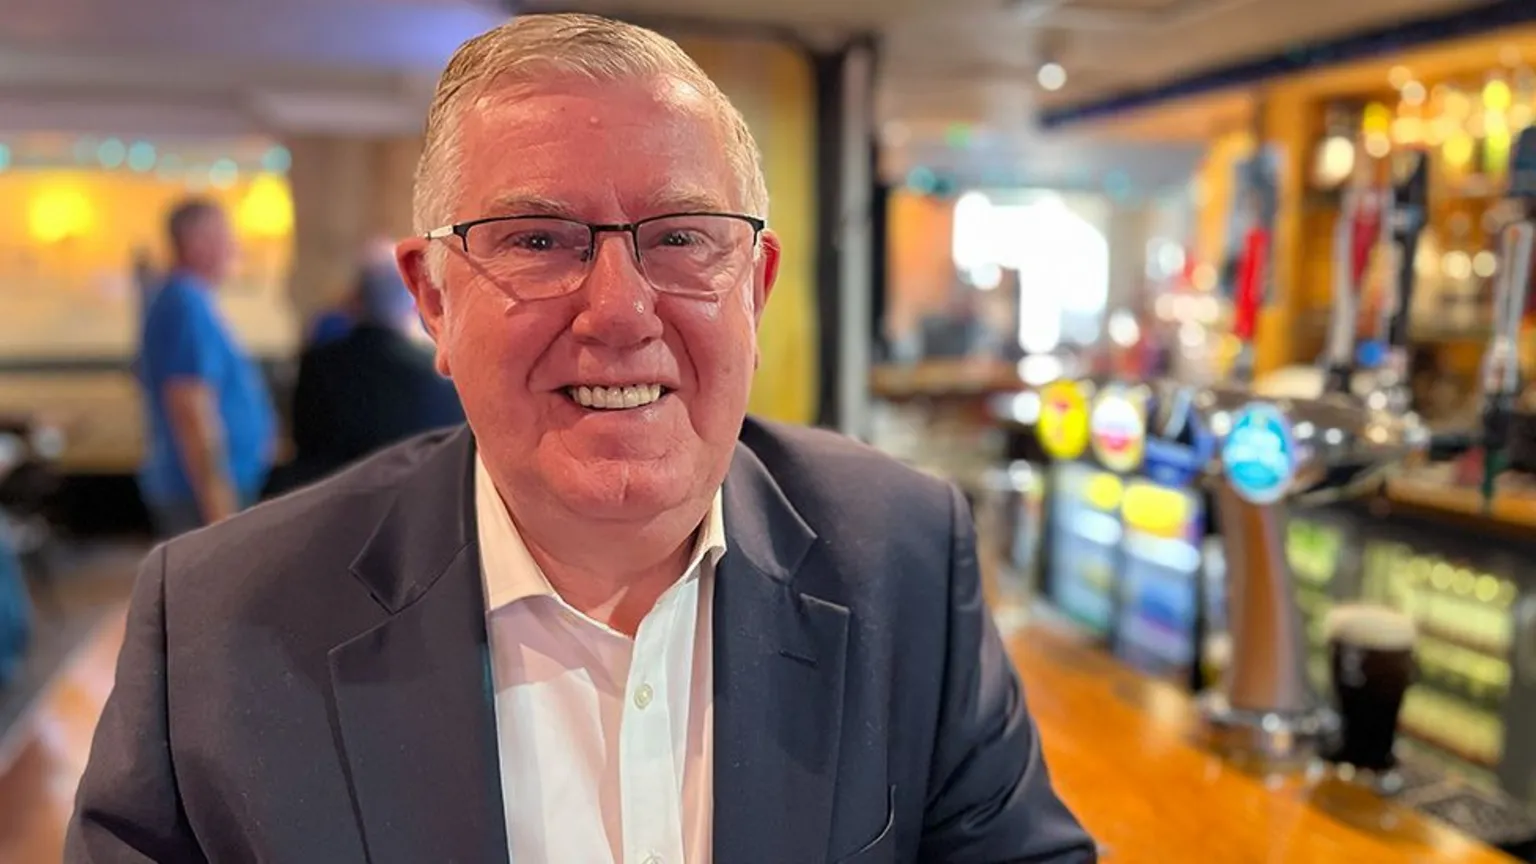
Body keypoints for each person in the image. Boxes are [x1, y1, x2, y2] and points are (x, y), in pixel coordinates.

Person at [67, 14, 1094, 864]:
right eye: (538, 239)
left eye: (682, 236)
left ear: (755, 289)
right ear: (434, 300)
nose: (619, 311)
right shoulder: (218, 624)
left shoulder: (907, 558)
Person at [134, 199, 276, 537]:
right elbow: (191, 409)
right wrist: (220, 512)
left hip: (209, 487)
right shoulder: (184, 303)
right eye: (226, 237)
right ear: (196, 242)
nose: (235, 248)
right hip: (201, 493)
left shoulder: (187, 299)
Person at [277, 254, 464, 491]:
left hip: (329, 495)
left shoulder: (318, 364)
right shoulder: (436, 374)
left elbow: (302, 440)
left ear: (355, 300)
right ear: (414, 305)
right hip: (414, 497)